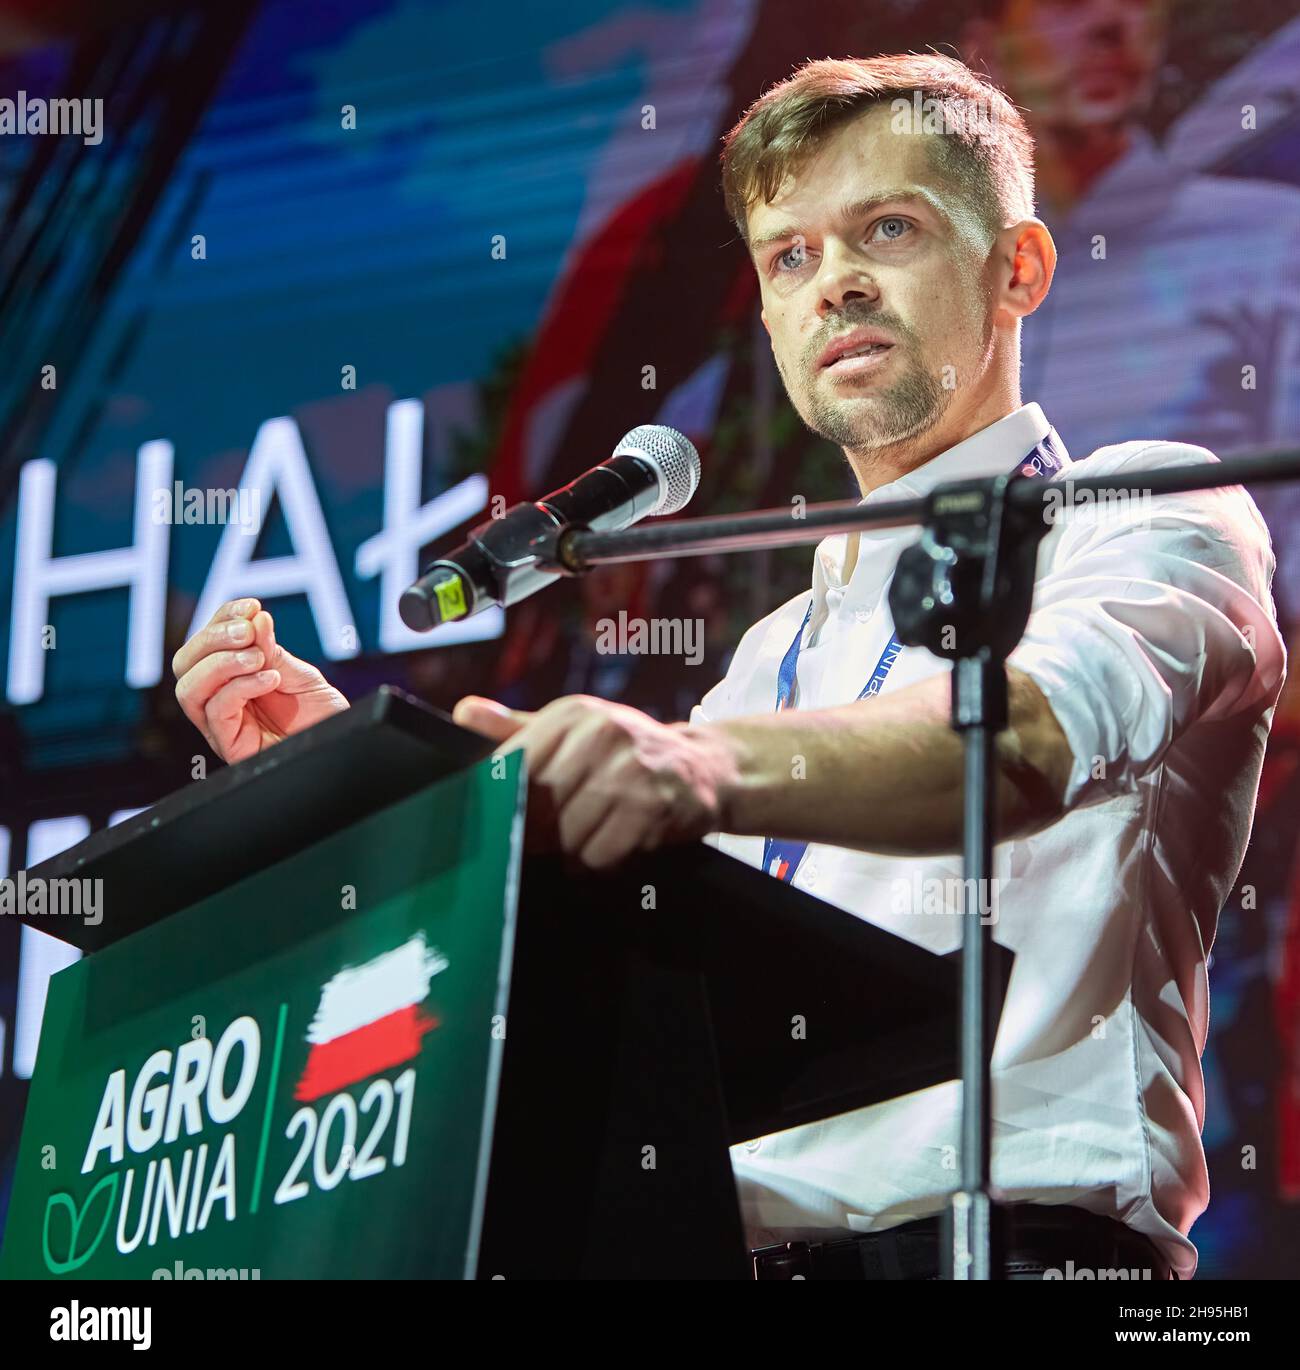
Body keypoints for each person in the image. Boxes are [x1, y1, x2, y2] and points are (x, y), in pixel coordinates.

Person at [171, 53, 1285, 1281]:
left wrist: (686, 761)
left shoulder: (1142, 513)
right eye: (789, 256)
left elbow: (1017, 738)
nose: (835, 284)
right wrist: (370, 794)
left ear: (1016, 267)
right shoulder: (773, 654)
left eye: (890, 228)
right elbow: (623, 962)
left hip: (1020, 1254)